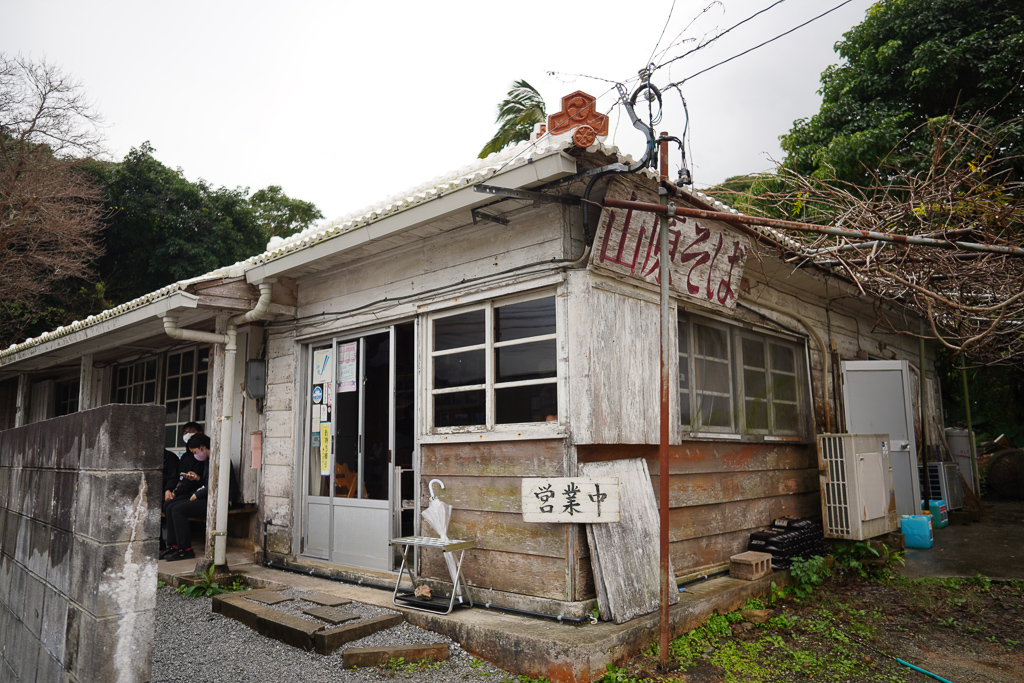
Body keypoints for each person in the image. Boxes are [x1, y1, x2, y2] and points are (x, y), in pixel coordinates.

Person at [160, 433, 239, 561]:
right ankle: (174, 545)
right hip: (208, 497)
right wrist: (196, 478)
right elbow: (206, 482)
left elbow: (215, 487)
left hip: (219, 501)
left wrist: (198, 494)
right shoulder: (207, 461)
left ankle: (185, 549)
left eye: (195, 451)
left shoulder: (220, 461)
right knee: (169, 506)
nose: (195, 455)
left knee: (178, 510)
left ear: (203, 447)